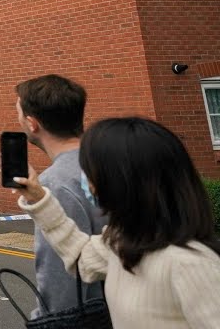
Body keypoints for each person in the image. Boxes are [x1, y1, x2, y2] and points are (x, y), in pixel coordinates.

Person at [14, 117, 220, 328]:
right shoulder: (122, 243)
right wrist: (38, 200)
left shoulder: (190, 264)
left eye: (90, 171)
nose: (87, 182)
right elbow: (82, 257)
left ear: (121, 180)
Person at [14, 74, 105, 317]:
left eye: (19, 114)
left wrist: (51, 321)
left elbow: (60, 276)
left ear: (32, 124)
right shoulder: (111, 162)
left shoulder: (54, 183)